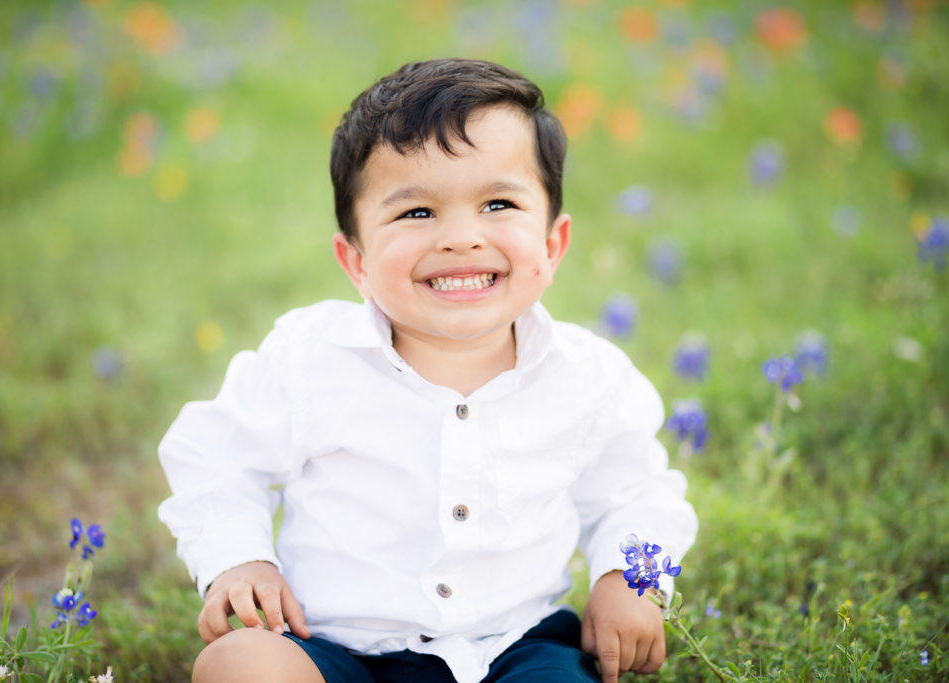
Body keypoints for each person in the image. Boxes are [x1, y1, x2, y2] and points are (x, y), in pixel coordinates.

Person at [158, 58, 697, 683]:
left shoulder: (589, 377)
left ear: (552, 245)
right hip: (336, 650)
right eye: (417, 213)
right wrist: (239, 560)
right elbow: (218, 458)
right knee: (238, 663)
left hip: (515, 648)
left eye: (498, 203)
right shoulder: (310, 359)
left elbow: (639, 493)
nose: (461, 237)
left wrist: (628, 578)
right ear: (354, 259)